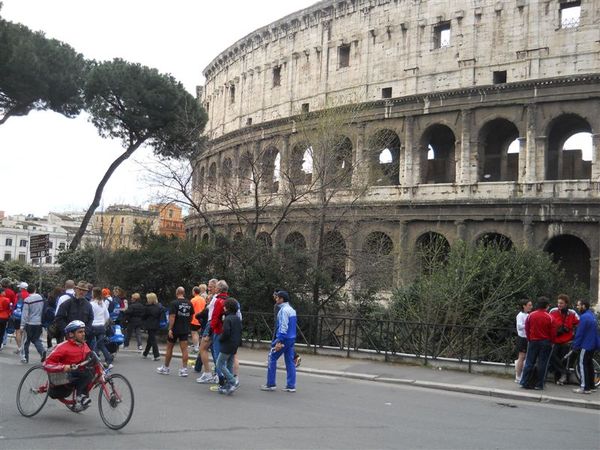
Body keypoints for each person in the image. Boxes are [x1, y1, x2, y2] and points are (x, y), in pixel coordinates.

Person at [43, 320, 93, 412]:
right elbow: (46, 364)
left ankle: (81, 397)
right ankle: (80, 399)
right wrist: (63, 367)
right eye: (80, 332)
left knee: (89, 371)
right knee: (84, 374)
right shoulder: (62, 347)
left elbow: (90, 358)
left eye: (84, 331)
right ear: (71, 334)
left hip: (73, 375)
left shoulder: (84, 345)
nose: (83, 334)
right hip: (60, 381)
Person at [261, 290, 297, 392]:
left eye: (277, 298)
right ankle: (291, 386)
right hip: (291, 338)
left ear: (281, 299)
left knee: (272, 357)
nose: (276, 299)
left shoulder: (283, 311)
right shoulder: (292, 310)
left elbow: (283, 327)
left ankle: (271, 384)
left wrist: (278, 341)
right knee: (290, 362)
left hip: (283, 339)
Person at [520, 297, 555, 390]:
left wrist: (529, 338)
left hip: (533, 341)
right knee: (542, 363)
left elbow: (527, 328)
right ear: (547, 306)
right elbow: (553, 332)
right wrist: (551, 342)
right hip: (545, 342)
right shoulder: (550, 317)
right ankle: (539, 384)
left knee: (529, 362)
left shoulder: (531, 315)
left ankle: (524, 382)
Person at [156, 287, 192, 377]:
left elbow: (172, 316)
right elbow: (191, 315)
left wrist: (170, 329)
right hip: (184, 329)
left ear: (176, 293)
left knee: (169, 348)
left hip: (175, 329)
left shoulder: (174, 303)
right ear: (183, 293)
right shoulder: (189, 303)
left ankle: (166, 368)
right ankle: (184, 370)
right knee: (184, 349)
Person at [549, 294, 579, 385]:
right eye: (558, 303)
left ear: (566, 304)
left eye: (561, 303)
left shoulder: (572, 313)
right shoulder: (553, 311)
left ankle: (561, 378)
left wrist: (574, 334)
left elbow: (579, 323)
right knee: (552, 356)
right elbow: (548, 323)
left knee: (563, 359)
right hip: (555, 340)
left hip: (567, 341)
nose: (559, 305)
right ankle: (564, 373)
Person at [572, 299, 600, 394]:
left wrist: (575, 345)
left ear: (584, 306)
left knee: (582, 365)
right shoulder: (592, 316)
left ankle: (584, 387)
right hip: (592, 345)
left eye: (579, 305)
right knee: (589, 365)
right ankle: (591, 386)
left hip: (586, 345)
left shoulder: (584, 317)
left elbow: (580, 333)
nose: (577, 307)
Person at [216, 298, 242, 394]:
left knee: (220, 364)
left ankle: (233, 381)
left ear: (227, 308)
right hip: (234, 345)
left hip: (227, 344)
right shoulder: (237, 318)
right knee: (229, 364)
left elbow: (226, 332)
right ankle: (229, 386)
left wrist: (221, 339)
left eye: (224, 306)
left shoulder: (227, 319)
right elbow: (240, 331)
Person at [196, 279, 219, 384]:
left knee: (203, 348)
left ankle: (208, 374)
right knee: (215, 350)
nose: (208, 288)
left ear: (216, 287)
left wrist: (209, 330)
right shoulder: (217, 297)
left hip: (211, 324)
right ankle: (218, 374)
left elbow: (213, 315)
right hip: (214, 325)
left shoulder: (216, 298)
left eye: (210, 286)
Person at [209, 280, 230, 389]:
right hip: (228, 331)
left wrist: (210, 330)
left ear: (219, 289)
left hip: (218, 331)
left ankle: (222, 380)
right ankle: (227, 379)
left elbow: (215, 317)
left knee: (218, 357)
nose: (215, 289)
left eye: (216, 287)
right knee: (225, 357)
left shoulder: (218, 301)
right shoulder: (230, 300)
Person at [20, 284, 46, 364]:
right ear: (35, 289)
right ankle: (42, 351)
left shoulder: (27, 300)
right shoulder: (41, 298)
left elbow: (25, 313)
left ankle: (25, 357)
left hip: (29, 323)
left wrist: (22, 325)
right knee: (36, 339)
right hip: (39, 322)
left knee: (26, 341)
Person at [89, 287, 112, 368]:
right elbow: (107, 316)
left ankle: (95, 360)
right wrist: (103, 322)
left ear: (94, 294)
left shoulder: (91, 304)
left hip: (93, 326)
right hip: (101, 327)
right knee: (101, 344)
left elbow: (90, 316)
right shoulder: (102, 303)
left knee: (92, 343)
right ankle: (108, 360)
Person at [514, 298, 532, 383]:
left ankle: (521, 374)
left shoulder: (528, 315)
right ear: (524, 306)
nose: (531, 307)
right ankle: (518, 376)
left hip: (527, 338)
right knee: (521, 357)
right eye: (529, 305)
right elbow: (519, 326)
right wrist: (528, 325)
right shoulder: (520, 315)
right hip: (522, 338)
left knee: (525, 357)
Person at [53, 280, 76, 344]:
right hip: (76, 321)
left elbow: (57, 313)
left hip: (65, 322)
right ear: (74, 286)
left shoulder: (62, 297)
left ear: (65, 286)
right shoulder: (77, 296)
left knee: (63, 341)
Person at [142, 292, 163, 361]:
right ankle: (145, 353)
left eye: (148, 299)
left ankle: (156, 355)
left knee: (153, 340)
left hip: (150, 325)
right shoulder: (159, 306)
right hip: (157, 324)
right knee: (150, 340)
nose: (147, 300)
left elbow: (144, 316)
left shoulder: (148, 308)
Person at [190, 286, 206, 354]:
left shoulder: (193, 300)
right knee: (200, 333)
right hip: (202, 319)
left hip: (194, 319)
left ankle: (196, 348)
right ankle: (201, 347)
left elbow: (190, 310)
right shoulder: (203, 299)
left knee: (194, 333)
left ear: (194, 292)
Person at [0, 278, 17, 347]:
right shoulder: (11, 292)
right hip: (6, 314)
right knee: (4, 329)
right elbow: (13, 303)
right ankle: (3, 341)